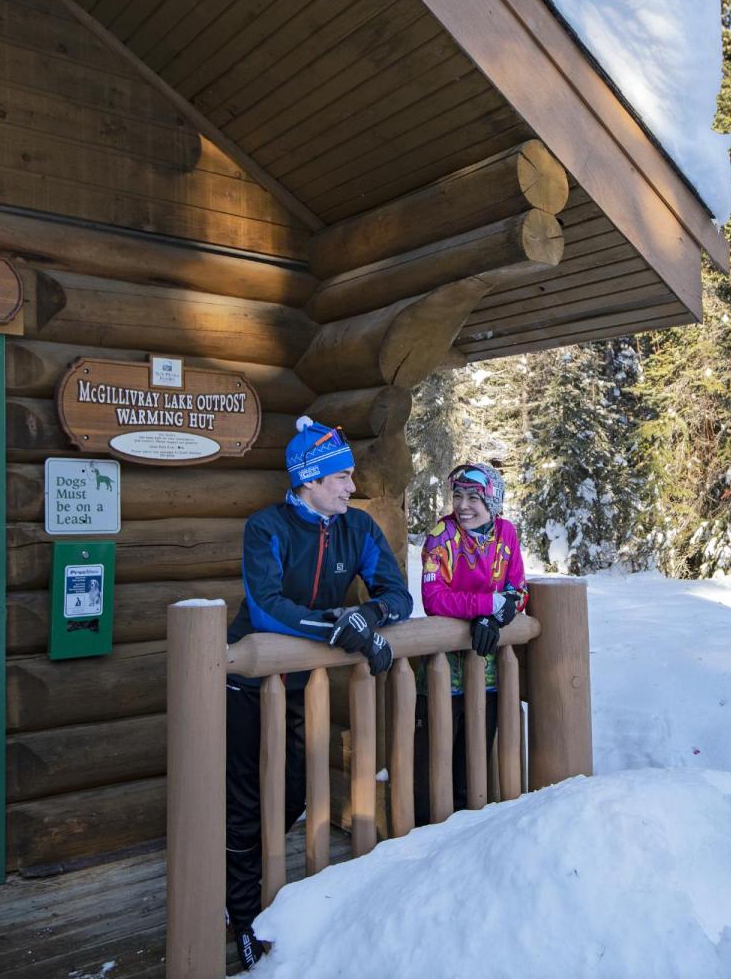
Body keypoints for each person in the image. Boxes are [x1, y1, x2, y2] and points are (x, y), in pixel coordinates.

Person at [224, 416, 411, 970]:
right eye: (341, 478)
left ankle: (260, 891)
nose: (352, 488)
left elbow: (397, 594)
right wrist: (339, 628)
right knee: (244, 802)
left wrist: (367, 616)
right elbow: (265, 608)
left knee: (293, 794)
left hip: (304, 686)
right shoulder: (266, 527)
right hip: (249, 683)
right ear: (309, 479)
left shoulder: (357, 528)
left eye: (350, 477)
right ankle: (239, 918)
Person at [414, 462, 527, 822]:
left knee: (476, 756)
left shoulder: (506, 534)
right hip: (443, 674)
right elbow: (434, 598)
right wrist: (485, 605)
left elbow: (517, 590)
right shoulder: (441, 537)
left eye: (473, 498)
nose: (463, 505)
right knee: (435, 760)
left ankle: (469, 836)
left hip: (488, 670)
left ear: (492, 502)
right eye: (458, 496)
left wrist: (495, 616)